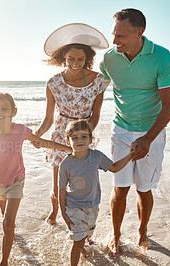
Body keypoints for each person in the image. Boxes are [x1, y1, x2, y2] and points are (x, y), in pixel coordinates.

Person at [99, 8, 170, 254]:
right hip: (121, 130)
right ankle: (116, 235)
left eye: (121, 36)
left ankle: (142, 231)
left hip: (151, 131)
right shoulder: (108, 58)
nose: (114, 41)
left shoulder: (162, 57)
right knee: (120, 188)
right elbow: (94, 93)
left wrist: (148, 138)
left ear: (139, 32)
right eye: (114, 34)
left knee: (144, 189)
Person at [0, 92, 72, 266]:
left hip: (16, 181)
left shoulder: (20, 130)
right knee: (6, 219)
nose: (0, 111)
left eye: (5, 108)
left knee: (7, 222)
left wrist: (67, 148)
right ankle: (10, 231)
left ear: (14, 111)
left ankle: (3, 261)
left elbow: (41, 142)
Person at [33, 23, 109, 225]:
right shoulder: (53, 83)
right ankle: (55, 211)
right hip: (61, 134)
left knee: (83, 181)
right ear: (63, 58)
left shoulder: (98, 81)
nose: (76, 63)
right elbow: (49, 118)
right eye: (71, 59)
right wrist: (37, 134)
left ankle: (83, 219)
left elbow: (95, 115)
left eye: (81, 59)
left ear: (88, 58)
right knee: (59, 180)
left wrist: (83, 136)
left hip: (85, 134)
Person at [59, 120, 132, 266]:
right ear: (68, 140)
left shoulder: (96, 156)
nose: (80, 141)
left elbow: (115, 167)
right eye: (75, 138)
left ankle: (83, 247)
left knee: (86, 235)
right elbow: (60, 190)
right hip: (73, 208)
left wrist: (131, 155)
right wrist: (63, 212)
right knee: (78, 241)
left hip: (93, 205)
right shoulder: (65, 164)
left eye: (84, 137)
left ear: (91, 139)